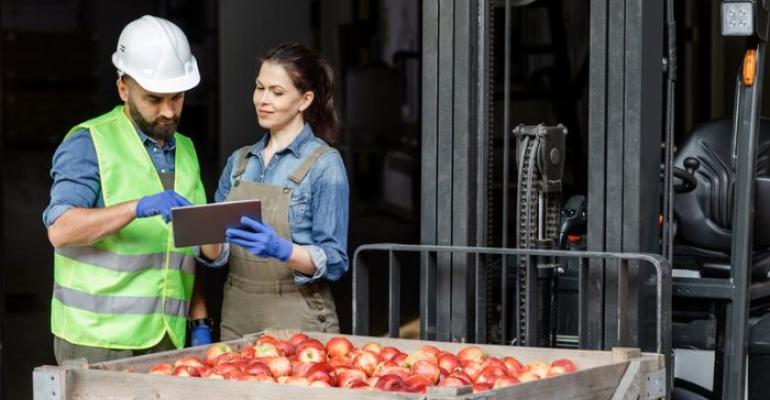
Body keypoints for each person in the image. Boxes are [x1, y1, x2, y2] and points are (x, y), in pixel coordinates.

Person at [43, 15, 212, 364]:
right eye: (154, 99)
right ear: (123, 88)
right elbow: (60, 230)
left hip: (168, 336)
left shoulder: (188, 151)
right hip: (96, 339)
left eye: (177, 97)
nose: (168, 112)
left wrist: (199, 318)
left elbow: (190, 248)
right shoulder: (89, 142)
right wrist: (136, 208)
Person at [199, 43, 349, 339]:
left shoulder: (325, 165)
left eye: (277, 92)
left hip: (298, 313)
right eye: (259, 88)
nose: (263, 100)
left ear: (305, 100)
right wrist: (199, 227)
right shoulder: (239, 162)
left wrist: (283, 250)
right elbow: (219, 254)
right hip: (237, 312)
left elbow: (335, 260)